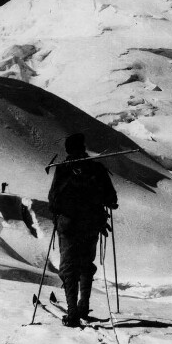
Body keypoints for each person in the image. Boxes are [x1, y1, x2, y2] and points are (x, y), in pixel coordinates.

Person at [48, 133, 118, 327]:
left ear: (68, 149)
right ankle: (83, 306)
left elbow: (53, 200)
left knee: (68, 267)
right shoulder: (96, 169)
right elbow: (111, 198)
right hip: (92, 225)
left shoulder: (63, 169)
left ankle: (72, 313)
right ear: (83, 147)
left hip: (68, 226)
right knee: (86, 265)